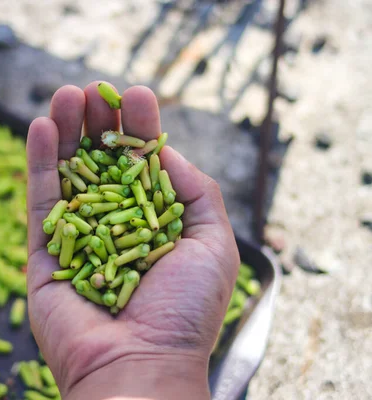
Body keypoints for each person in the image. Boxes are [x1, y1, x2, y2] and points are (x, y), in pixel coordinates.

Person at [26, 82, 240, 400]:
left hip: (121, 240)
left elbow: (140, 194)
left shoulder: (136, 182)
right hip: (114, 237)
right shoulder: (128, 182)